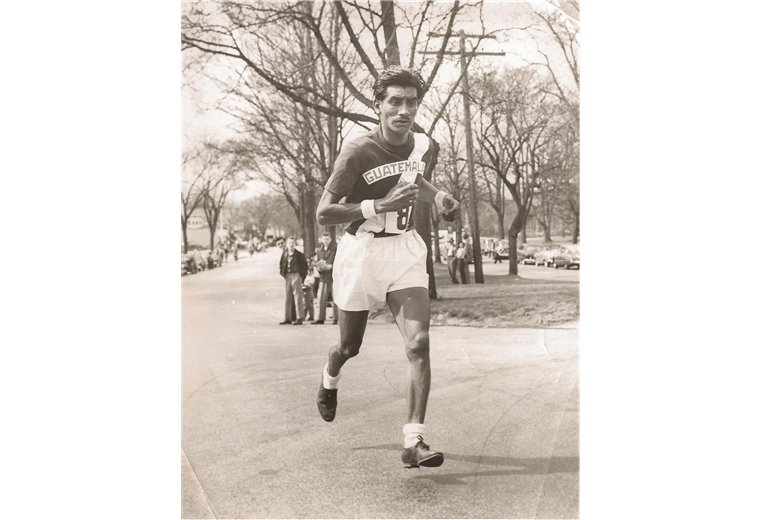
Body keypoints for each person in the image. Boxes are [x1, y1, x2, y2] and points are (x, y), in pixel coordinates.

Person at [314, 67, 461, 469]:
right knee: (350, 346)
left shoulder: (424, 144)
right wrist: (378, 206)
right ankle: (330, 378)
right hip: (361, 253)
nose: (404, 109)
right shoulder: (357, 151)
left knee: (418, 344)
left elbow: (418, 181)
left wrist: (441, 198)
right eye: (394, 101)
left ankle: (414, 441)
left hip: (406, 251)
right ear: (377, 105)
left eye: (411, 101)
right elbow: (323, 213)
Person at [279, 237, 308, 325]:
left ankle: (300, 318)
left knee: (298, 297)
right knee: (287, 297)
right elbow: (281, 264)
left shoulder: (299, 255)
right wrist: (283, 273)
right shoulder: (284, 254)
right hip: (287, 276)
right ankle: (287, 318)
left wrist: (300, 275)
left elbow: (304, 266)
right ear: (286, 244)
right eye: (289, 243)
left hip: (296, 275)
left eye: (292, 243)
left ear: (295, 244)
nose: (291, 245)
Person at [313, 232, 338, 325]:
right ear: (321, 240)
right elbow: (318, 262)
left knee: (335, 298)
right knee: (321, 298)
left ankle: (335, 318)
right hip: (323, 277)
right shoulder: (319, 250)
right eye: (324, 239)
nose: (326, 241)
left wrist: (331, 266)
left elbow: (338, 261)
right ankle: (320, 318)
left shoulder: (335, 249)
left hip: (333, 277)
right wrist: (319, 268)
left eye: (327, 239)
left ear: (330, 239)